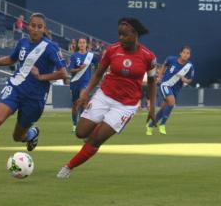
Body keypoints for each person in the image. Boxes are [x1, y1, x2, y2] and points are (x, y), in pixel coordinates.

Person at [0, 13, 67, 171]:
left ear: (44, 29)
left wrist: (41, 76)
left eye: (39, 26)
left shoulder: (50, 47)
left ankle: (31, 135)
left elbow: (63, 73)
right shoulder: (22, 42)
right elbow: (11, 59)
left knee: (17, 137)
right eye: (33, 25)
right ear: (27, 26)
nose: (36, 29)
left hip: (35, 98)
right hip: (15, 88)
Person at [57, 17, 157, 178]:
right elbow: (98, 73)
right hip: (104, 96)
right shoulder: (112, 50)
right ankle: (96, 133)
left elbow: (152, 82)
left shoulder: (148, 56)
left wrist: (152, 107)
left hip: (125, 105)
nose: (121, 38)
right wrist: (86, 92)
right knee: (81, 132)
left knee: (96, 140)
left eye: (124, 35)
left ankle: (68, 167)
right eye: (119, 34)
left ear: (135, 34)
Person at [146, 46, 194, 135]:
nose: (185, 55)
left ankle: (150, 126)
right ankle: (162, 124)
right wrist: (160, 76)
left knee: (163, 109)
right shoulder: (171, 59)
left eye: (188, 53)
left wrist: (185, 80)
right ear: (180, 53)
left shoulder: (189, 66)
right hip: (165, 85)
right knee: (172, 102)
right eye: (184, 52)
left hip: (176, 89)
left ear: (189, 55)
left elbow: (190, 79)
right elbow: (164, 65)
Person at [69, 38, 98, 134]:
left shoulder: (91, 56)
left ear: (86, 45)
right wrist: (79, 69)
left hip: (85, 82)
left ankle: (84, 125)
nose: (82, 44)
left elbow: (98, 65)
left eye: (83, 43)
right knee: (75, 105)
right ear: (77, 45)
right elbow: (71, 70)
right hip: (75, 82)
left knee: (83, 100)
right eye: (80, 43)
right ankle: (74, 124)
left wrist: (96, 74)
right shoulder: (74, 56)